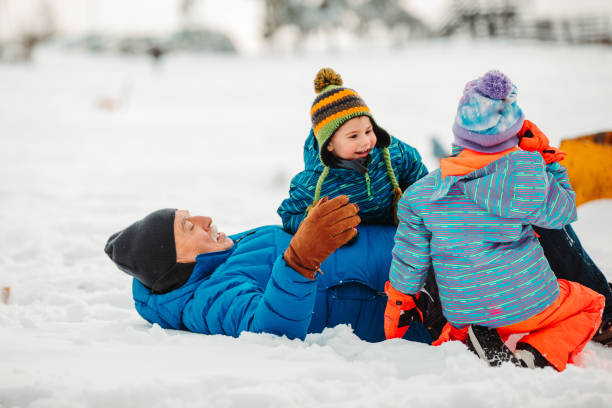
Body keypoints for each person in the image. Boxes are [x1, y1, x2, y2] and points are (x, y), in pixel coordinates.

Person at [384, 70, 605, 371]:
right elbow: (564, 212)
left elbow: (410, 262)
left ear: (460, 133)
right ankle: (537, 353)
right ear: (515, 132)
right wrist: (547, 161)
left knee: (462, 317)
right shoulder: (528, 180)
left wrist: (399, 305)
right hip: (526, 305)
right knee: (590, 303)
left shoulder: (421, 194)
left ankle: (465, 338)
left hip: (464, 312)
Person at [104, 196, 437, 344]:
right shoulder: (207, 299)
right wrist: (301, 260)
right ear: (178, 263)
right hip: (419, 292)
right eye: (190, 228)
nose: (205, 220)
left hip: (420, 240)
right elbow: (268, 330)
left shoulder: (224, 251)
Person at [277, 67, 428, 233]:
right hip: (354, 243)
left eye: (368, 131)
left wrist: (413, 207)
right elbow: (289, 214)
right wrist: (320, 225)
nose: (365, 141)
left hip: (395, 234)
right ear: (329, 144)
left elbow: (418, 175)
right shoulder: (313, 183)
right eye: (353, 136)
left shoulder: (394, 154)